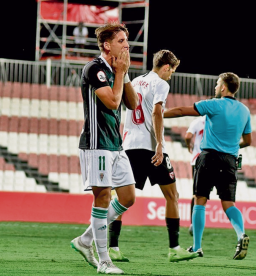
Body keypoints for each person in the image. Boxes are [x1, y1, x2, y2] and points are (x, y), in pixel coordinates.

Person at [70, 22, 138, 275]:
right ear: (107, 45)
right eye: (121, 41)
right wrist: (119, 73)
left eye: (127, 42)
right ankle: (104, 261)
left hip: (115, 144)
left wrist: (125, 72)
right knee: (102, 197)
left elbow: (131, 103)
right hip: (96, 143)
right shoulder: (95, 68)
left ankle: (85, 240)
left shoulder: (117, 69)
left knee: (128, 197)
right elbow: (111, 102)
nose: (126, 46)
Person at [164, 72, 252, 260]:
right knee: (228, 204)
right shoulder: (245, 111)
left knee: (200, 200)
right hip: (230, 160)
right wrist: (233, 145)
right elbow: (248, 140)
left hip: (209, 157)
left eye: (217, 84)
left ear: (223, 87)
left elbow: (181, 111)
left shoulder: (214, 104)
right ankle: (240, 235)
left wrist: (159, 114)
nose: (215, 87)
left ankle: (196, 247)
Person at [122, 49, 198, 262]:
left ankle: (112, 248)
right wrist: (159, 145)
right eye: (172, 71)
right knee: (172, 196)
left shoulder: (136, 81)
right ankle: (174, 249)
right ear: (166, 67)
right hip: (151, 147)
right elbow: (157, 112)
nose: (170, 75)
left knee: (123, 199)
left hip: (129, 145)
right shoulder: (161, 84)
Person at [184, 115, 206, 236]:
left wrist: (189, 145)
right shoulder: (217, 119)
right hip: (213, 159)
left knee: (196, 193)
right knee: (205, 194)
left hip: (198, 160)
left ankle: (193, 223)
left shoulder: (198, 121)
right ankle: (198, 222)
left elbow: (188, 136)